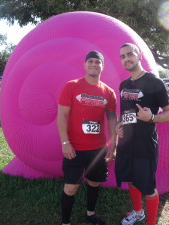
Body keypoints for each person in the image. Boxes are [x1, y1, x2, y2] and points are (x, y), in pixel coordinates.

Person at [115, 43, 169, 225]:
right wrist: (119, 126)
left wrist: (152, 118)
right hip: (127, 143)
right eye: (123, 56)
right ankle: (137, 212)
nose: (126, 59)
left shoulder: (154, 82)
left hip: (145, 145)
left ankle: (150, 222)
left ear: (139, 55)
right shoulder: (124, 85)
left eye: (130, 54)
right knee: (132, 181)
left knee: (148, 188)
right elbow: (125, 112)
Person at [57, 50, 117, 225]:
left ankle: (90, 214)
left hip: (97, 150)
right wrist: (65, 142)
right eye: (90, 61)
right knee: (71, 187)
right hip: (74, 148)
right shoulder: (72, 86)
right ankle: (66, 222)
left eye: (97, 62)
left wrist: (113, 146)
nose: (93, 64)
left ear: (102, 66)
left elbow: (112, 120)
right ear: (84, 65)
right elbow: (62, 116)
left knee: (94, 182)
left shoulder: (108, 92)